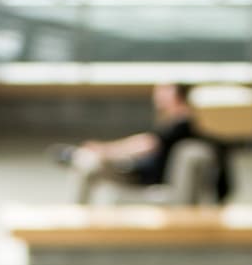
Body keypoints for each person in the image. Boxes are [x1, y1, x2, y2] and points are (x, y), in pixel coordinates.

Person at [58, 81, 232, 203]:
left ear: (176, 95)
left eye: (163, 90)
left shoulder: (183, 124)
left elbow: (146, 143)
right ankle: (76, 159)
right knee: (87, 163)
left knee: (89, 163)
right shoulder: (172, 121)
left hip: (144, 176)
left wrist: (105, 150)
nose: (157, 95)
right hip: (138, 168)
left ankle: (75, 161)